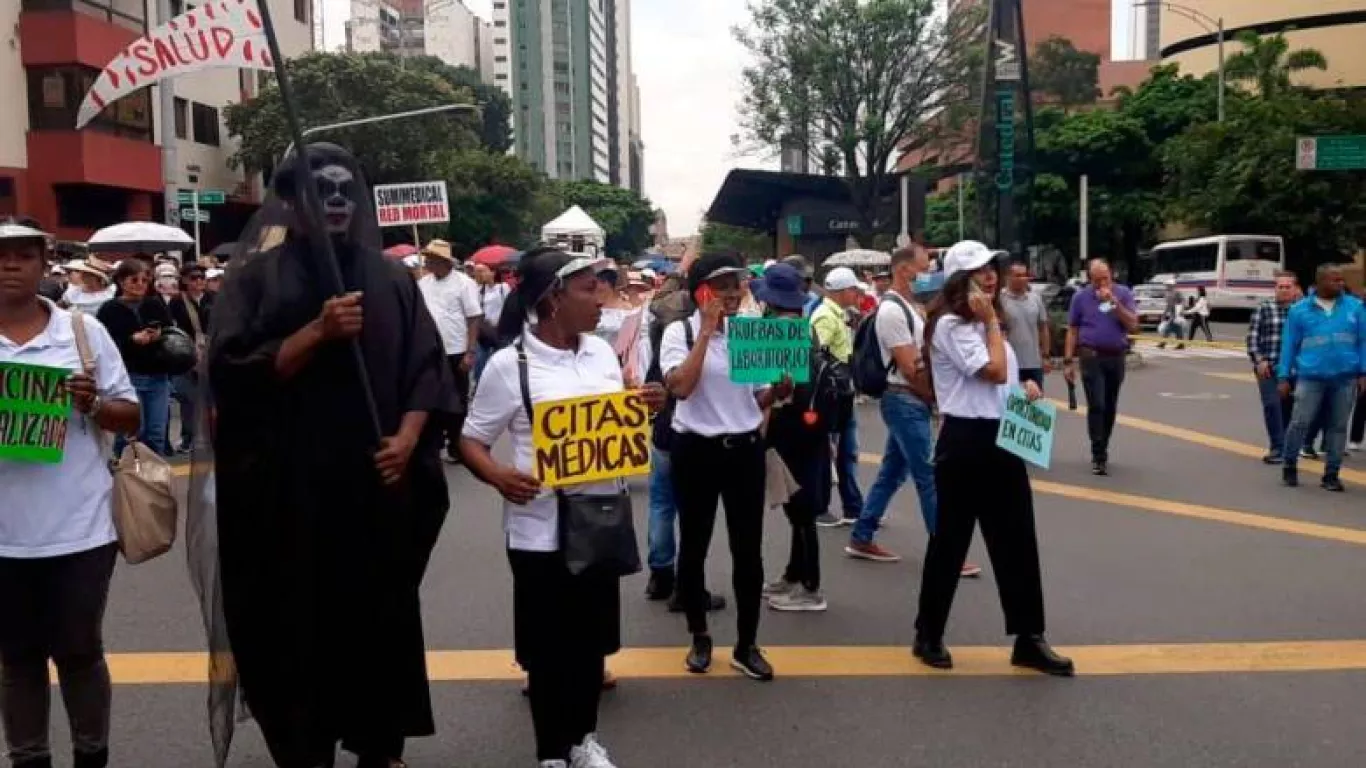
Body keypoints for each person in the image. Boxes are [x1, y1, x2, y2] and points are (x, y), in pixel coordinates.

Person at [207, 143, 453, 768]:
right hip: (289, 497)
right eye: (322, 189)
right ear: (290, 201)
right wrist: (315, 333)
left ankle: (379, 743)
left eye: (348, 188)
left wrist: (406, 438)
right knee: (293, 622)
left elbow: (426, 367)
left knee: (378, 618)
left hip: (373, 489)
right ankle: (303, 744)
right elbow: (232, 375)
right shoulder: (256, 279)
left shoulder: (393, 279)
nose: (338, 199)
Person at [460, 248, 666, 768]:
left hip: (598, 523)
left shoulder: (599, 353)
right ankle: (552, 752)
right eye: (589, 290)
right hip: (538, 533)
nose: (602, 300)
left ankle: (583, 740)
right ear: (552, 299)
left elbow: (613, 413)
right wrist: (498, 476)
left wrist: (644, 401)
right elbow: (471, 440)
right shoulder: (509, 366)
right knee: (550, 652)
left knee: (590, 646)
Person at [0, 219, 141, 768]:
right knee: (18, 659)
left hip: (81, 530)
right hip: (6, 538)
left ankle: (91, 754)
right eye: (1, 255)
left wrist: (92, 404)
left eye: (22, 255)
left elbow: (131, 414)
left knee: (80, 652)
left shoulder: (84, 333)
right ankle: (28, 756)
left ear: (43, 263)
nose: (10, 265)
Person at [911, 240, 1073, 677]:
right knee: (950, 541)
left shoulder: (988, 322)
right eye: (980, 270)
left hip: (1002, 434)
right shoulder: (950, 324)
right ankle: (928, 632)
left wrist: (1026, 390)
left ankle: (1029, 637)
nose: (990, 276)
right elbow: (992, 370)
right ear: (960, 279)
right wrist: (991, 327)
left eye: (992, 268)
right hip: (965, 438)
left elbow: (1006, 380)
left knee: (1018, 538)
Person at [662, 251, 792, 682]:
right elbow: (679, 387)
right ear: (700, 291)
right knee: (694, 545)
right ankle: (699, 636)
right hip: (695, 451)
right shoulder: (678, 331)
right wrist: (705, 332)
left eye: (737, 284)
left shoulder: (753, 333)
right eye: (721, 285)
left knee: (747, 549)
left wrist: (779, 389)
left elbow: (757, 399)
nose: (733, 293)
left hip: (743, 451)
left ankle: (746, 644)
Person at [849, 245, 979, 574]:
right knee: (930, 476)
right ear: (905, 270)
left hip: (911, 400)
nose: (929, 272)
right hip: (904, 399)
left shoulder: (912, 306)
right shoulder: (892, 312)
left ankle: (862, 535)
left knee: (892, 472)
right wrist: (936, 399)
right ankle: (947, 552)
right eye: (924, 267)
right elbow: (909, 367)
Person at [757, 264, 832, 612]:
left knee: (799, 508)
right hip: (811, 426)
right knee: (798, 506)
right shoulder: (804, 329)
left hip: (789, 427)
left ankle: (810, 587)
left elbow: (769, 391)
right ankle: (794, 573)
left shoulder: (774, 333)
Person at [1277, 264, 1366, 492]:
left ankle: (1331, 474)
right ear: (1320, 283)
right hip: (1310, 377)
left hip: (1344, 378)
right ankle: (1289, 464)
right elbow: (1289, 345)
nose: (1340, 283)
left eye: (1341, 280)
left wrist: (1363, 372)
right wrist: (1284, 376)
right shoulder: (1299, 311)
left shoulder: (1355, 307)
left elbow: (1363, 342)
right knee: (1299, 422)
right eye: (1334, 280)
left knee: (1337, 427)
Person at [1063, 259, 1138, 476]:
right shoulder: (1080, 298)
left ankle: (1103, 443)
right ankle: (1098, 454)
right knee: (1097, 404)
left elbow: (1133, 324)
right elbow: (1073, 329)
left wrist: (1114, 303)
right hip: (1091, 357)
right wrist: (1068, 361)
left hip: (1115, 357)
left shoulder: (1123, 293)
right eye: (1097, 280)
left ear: (1111, 275)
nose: (1102, 283)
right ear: (1090, 279)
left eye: (1105, 278)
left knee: (1110, 405)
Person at [96, 258, 174, 457]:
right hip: (128, 376)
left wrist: (158, 335)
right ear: (122, 282)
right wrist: (131, 340)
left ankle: (154, 478)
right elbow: (105, 345)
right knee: (131, 432)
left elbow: (170, 331)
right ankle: (125, 475)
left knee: (156, 432)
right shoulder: (109, 309)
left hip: (158, 375)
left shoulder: (154, 304)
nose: (140, 285)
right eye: (134, 280)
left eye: (144, 280)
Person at [417, 239, 483, 465]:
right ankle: (434, 443)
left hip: (456, 351)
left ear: (443, 261)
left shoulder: (464, 284)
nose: (427, 263)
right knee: (430, 398)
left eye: (431, 259)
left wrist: (470, 351)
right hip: (431, 350)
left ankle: (458, 446)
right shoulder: (423, 283)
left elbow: (473, 318)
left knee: (456, 401)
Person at [809, 266, 864, 528]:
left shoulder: (838, 315)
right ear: (842, 291)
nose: (856, 294)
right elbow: (817, 355)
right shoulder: (825, 317)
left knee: (846, 451)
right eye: (854, 289)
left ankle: (853, 506)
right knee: (825, 451)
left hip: (843, 392)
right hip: (831, 394)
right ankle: (820, 507)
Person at [1246, 271, 1299, 464]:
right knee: (1272, 405)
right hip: (1268, 367)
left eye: (1288, 287)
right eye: (1280, 286)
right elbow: (1252, 338)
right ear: (1275, 289)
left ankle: (1289, 445)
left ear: (1295, 289)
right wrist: (1259, 360)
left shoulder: (1301, 311)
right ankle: (1277, 447)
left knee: (1289, 408)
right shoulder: (1264, 308)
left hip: (1295, 369)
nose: (1284, 290)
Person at [167, 263, 213, 454]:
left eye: (202, 277)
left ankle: (210, 436)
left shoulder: (214, 298)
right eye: (194, 278)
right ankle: (189, 439)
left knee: (211, 398)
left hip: (212, 352)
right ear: (184, 280)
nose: (199, 281)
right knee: (188, 399)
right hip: (186, 355)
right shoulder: (177, 302)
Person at [1000, 260, 1050, 389]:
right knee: (1014, 405)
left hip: (1033, 363)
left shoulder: (1035, 298)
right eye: (1018, 275)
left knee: (1035, 405)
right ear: (1008, 277)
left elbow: (1043, 327)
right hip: (1010, 364)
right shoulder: (1000, 299)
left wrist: (1045, 356)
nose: (1022, 279)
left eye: (1024, 275)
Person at [1155, 280, 1186, 350]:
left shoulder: (1177, 292)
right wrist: (1164, 314)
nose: (1166, 286)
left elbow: (1183, 300)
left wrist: (1181, 309)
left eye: (1167, 285)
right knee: (1177, 329)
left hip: (1177, 312)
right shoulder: (1167, 293)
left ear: (1171, 285)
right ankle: (1181, 344)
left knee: (1168, 328)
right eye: (1166, 285)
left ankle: (1163, 343)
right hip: (1172, 312)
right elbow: (1168, 305)